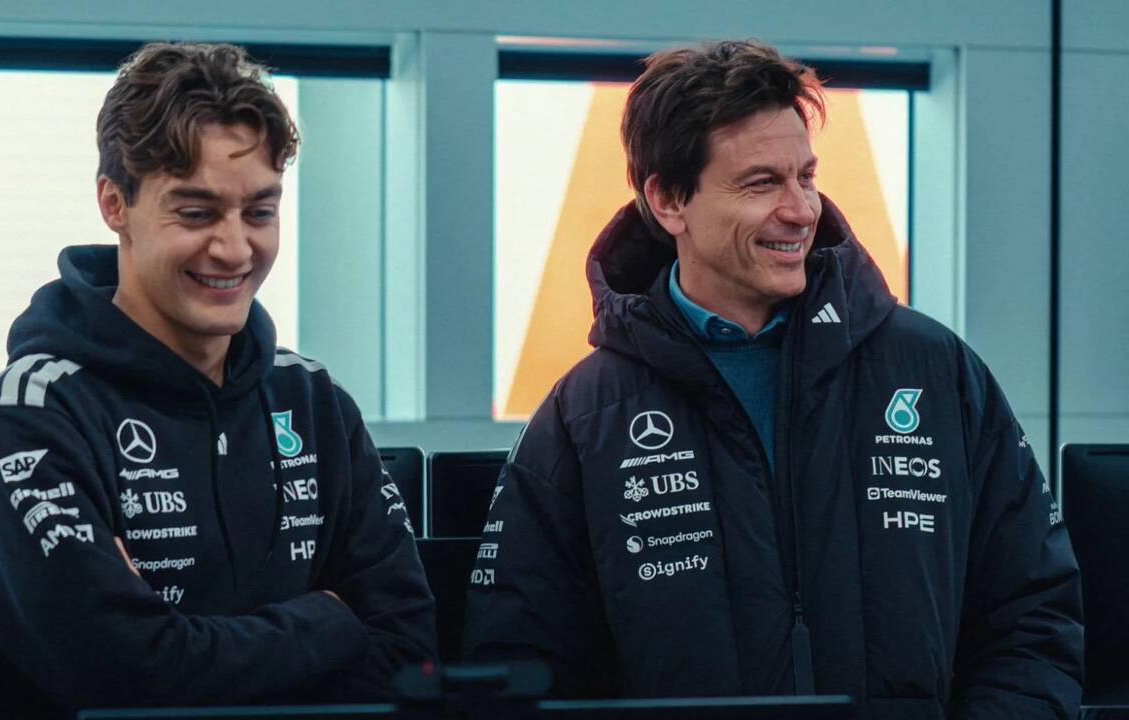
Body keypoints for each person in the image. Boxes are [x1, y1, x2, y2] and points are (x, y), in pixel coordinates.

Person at [463, 40, 1082, 718]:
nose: (801, 210)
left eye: (806, 177)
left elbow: (1035, 618)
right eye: (761, 184)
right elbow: (522, 668)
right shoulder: (583, 417)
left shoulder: (938, 374)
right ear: (668, 201)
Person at [0, 42, 435, 719]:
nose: (234, 249)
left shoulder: (314, 402)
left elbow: (412, 655)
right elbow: (126, 676)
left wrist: (183, 646)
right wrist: (330, 620)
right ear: (114, 203)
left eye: (259, 212)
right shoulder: (33, 412)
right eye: (197, 213)